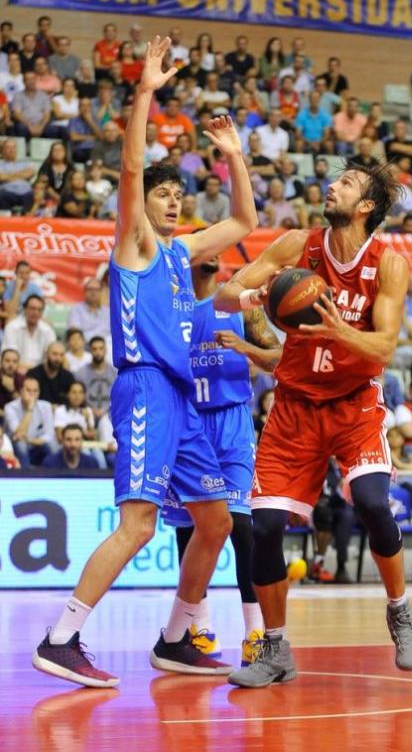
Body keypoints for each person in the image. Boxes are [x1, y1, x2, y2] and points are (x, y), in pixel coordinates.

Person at [33, 36, 258, 688]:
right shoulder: (136, 245)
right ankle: (61, 637)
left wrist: (234, 156)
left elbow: (244, 219)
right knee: (138, 523)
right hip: (146, 388)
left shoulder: (184, 253)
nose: (172, 202)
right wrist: (145, 92)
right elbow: (131, 167)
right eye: (163, 195)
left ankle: (176, 638)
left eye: (177, 196)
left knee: (215, 520)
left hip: (182, 400)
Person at [215, 159, 412, 687]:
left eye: (346, 183)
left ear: (367, 206)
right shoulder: (297, 246)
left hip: (354, 405)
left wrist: (337, 329)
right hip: (294, 408)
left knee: (373, 503)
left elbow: (385, 347)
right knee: (264, 527)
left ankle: (400, 610)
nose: (332, 186)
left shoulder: (388, 264)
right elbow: (224, 294)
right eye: (335, 180)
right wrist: (260, 297)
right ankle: (276, 649)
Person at [164, 251, 280, 661]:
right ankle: (197, 628)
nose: (213, 251)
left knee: (242, 527)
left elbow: (279, 360)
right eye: (203, 246)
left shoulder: (240, 305)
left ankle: (256, 633)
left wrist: (245, 347)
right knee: (189, 529)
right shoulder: (170, 308)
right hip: (188, 424)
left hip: (231, 424)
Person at [5, 375, 56, 467]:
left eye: (35, 391)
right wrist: (30, 410)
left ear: (39, 392)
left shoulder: (46, 406)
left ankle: (52, 473)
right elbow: (18, 434)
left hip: (36, 443)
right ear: (21, 391)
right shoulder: (10, 407)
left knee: (53, 444)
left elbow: (49, 434)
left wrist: (30, 441)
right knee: (21, 444)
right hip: (15, 447)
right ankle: (25, 474)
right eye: (28, 390)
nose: (32, 394)